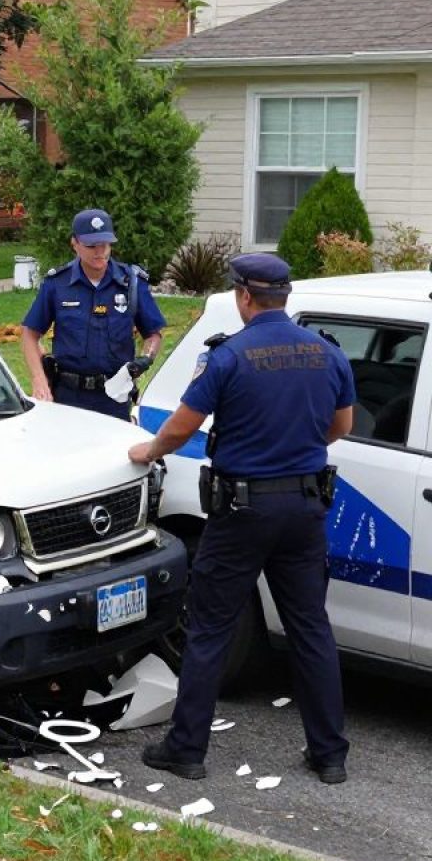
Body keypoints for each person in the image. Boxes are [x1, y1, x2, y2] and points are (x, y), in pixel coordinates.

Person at [128, 253, 354, 785]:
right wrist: (292, 450)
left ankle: (186, 750)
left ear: (244, 297)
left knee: (210, 627)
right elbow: (340, 425)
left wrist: (151, 450)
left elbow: (183, 427)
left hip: (242, 510)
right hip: (303, 508)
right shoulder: (327, 353)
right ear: (285, 297)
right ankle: (329, 755)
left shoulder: (228, 357)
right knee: (310, 628)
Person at [21, 208, 166, 419]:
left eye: (105, 245)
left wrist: (144, 360)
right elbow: (29, 334)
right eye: (91, 246)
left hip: (114, 397)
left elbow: (153, 333)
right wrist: (39, 380)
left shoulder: (131, 283)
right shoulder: (57, 284)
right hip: (67, 397)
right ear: (75, 243)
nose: (101, 252)